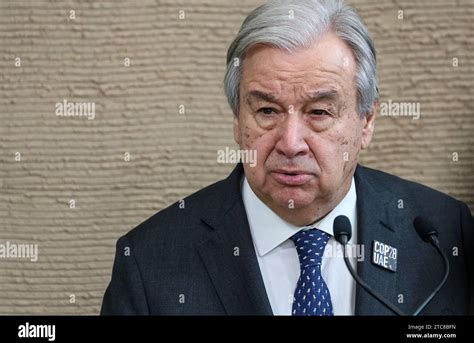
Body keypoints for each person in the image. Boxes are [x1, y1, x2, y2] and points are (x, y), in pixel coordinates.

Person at [101, 0, 473, 315]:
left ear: (367, 121)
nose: (291, 143)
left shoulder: (444, 235)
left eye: (319, 112)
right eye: (267, 111)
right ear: (237, 118)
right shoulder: (149, 262)